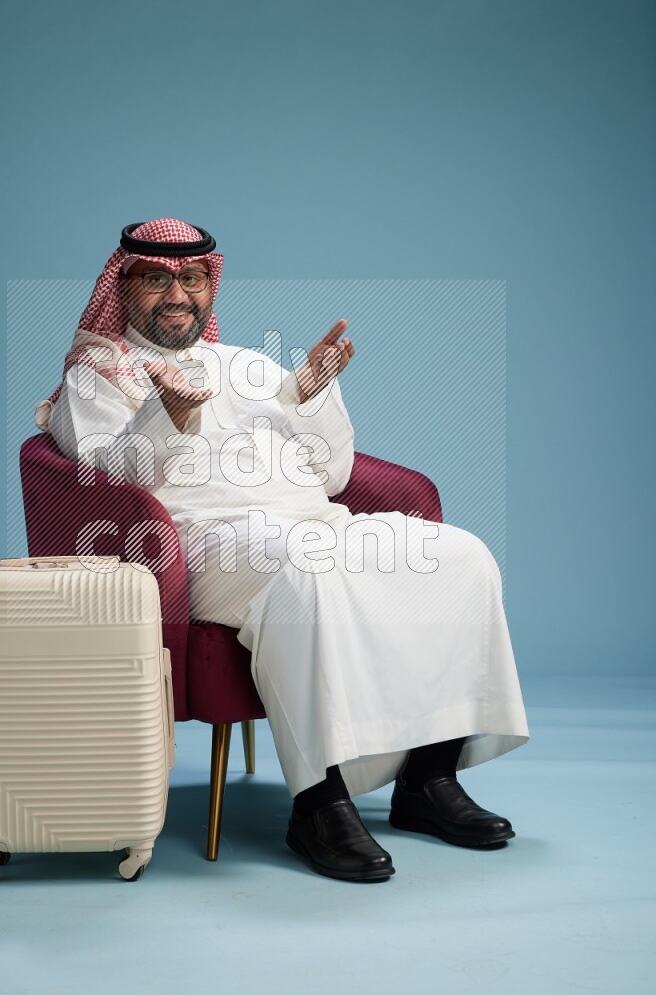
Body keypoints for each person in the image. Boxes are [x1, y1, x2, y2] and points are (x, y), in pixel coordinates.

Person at [34, 217, 529, 883]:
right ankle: (319, 803)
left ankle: (428, 779)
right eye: (156, 278)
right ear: (124, 287)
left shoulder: (244, 364)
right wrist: (167, 417)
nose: (176, 293)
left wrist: (316, 392)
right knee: (308, 574)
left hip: (307, 518)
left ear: (211, 284)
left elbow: (330, 473)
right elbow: (104, 483)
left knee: (458, 558)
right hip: (193, 543)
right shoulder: (97, 375)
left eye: (192, 278)